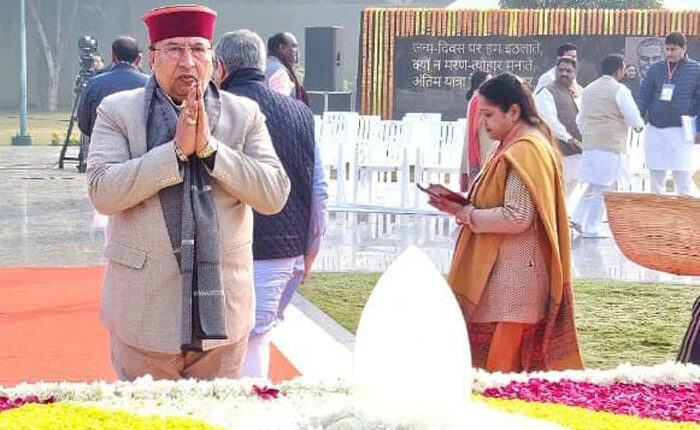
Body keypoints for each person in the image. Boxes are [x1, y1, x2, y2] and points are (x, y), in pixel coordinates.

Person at [86, 4, 290, 381]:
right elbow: (103, 192)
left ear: (212, 58)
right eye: (174, 49)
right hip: (143, 312)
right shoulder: (118, 112)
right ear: (152, 58)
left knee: (216, 411)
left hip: (223, 312)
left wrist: (210, 150)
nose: (187, 61)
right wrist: (175, 153)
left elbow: (274, 193)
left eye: (197, 49)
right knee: (145, 413)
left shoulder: (243, 114)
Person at [429, 72, 583, 373]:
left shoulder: (525, 149)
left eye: (488, 115)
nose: (482, 123)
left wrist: (466, 213)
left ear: (513, 111)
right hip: (508, 273)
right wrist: (461, 204)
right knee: (499, 367)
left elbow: (517, 216)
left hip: (517, 277)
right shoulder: (514, 143)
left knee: (502, 371)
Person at [214, 29, 329, 378]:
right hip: (283, 249)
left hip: (223, 248)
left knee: (220, 345)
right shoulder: (299, 113)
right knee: (257, 338)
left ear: (220, 67)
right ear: (263, 64)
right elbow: (319, 187)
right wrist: (311, 247)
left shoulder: (211, 110)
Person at [571, 54, 644, 238]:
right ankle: (592, 227)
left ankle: (578, 217)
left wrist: (590, 133)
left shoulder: (588, 90)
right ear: (618, 70)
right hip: (610, 145)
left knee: (595, 184)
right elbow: (632, 115)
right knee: (604, 187)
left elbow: (580, 118)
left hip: (590, 144)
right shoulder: (619, 90)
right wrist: (638, 125)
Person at [636, 32, 700, 196]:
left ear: (684, 49)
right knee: (656, 176)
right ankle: (656, 210)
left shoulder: (696, 70)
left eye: (674, 49)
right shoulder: (655, 69)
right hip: (656, 129)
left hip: (681, 130)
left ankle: (684, 210)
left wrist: (699, 129)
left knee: (682, 176)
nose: (669, 53)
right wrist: (638, 118)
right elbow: (644, 96)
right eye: (667, 49)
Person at [78, 36, 149, 140]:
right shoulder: (149, 84)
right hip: (139, 146)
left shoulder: (95, 83)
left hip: (102, 145)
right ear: (138, 58)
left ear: (113, 56)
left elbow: (84, 124)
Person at [535, 56, 583, 204]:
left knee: (570, 190)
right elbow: (549, 120)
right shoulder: (547, 92)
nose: (564, 73)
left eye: (568, 71)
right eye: (561, 70)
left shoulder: (578, 92)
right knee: (557, 190)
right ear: (556, 71)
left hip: (578, 151)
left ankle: (563, 215)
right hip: (559, 150)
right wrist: (568, 138)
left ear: (575, 73)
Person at [460, 70, 493, 192]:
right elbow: (476, 126)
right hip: (482, 142)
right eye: (489, 81)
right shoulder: (477, 100)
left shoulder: (479, 98)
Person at [265, 32, 308, 105]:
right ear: (281, 47)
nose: (297, 51)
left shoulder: (262, 66)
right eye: (294, 46)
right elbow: (281, 106)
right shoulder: (280, 72)